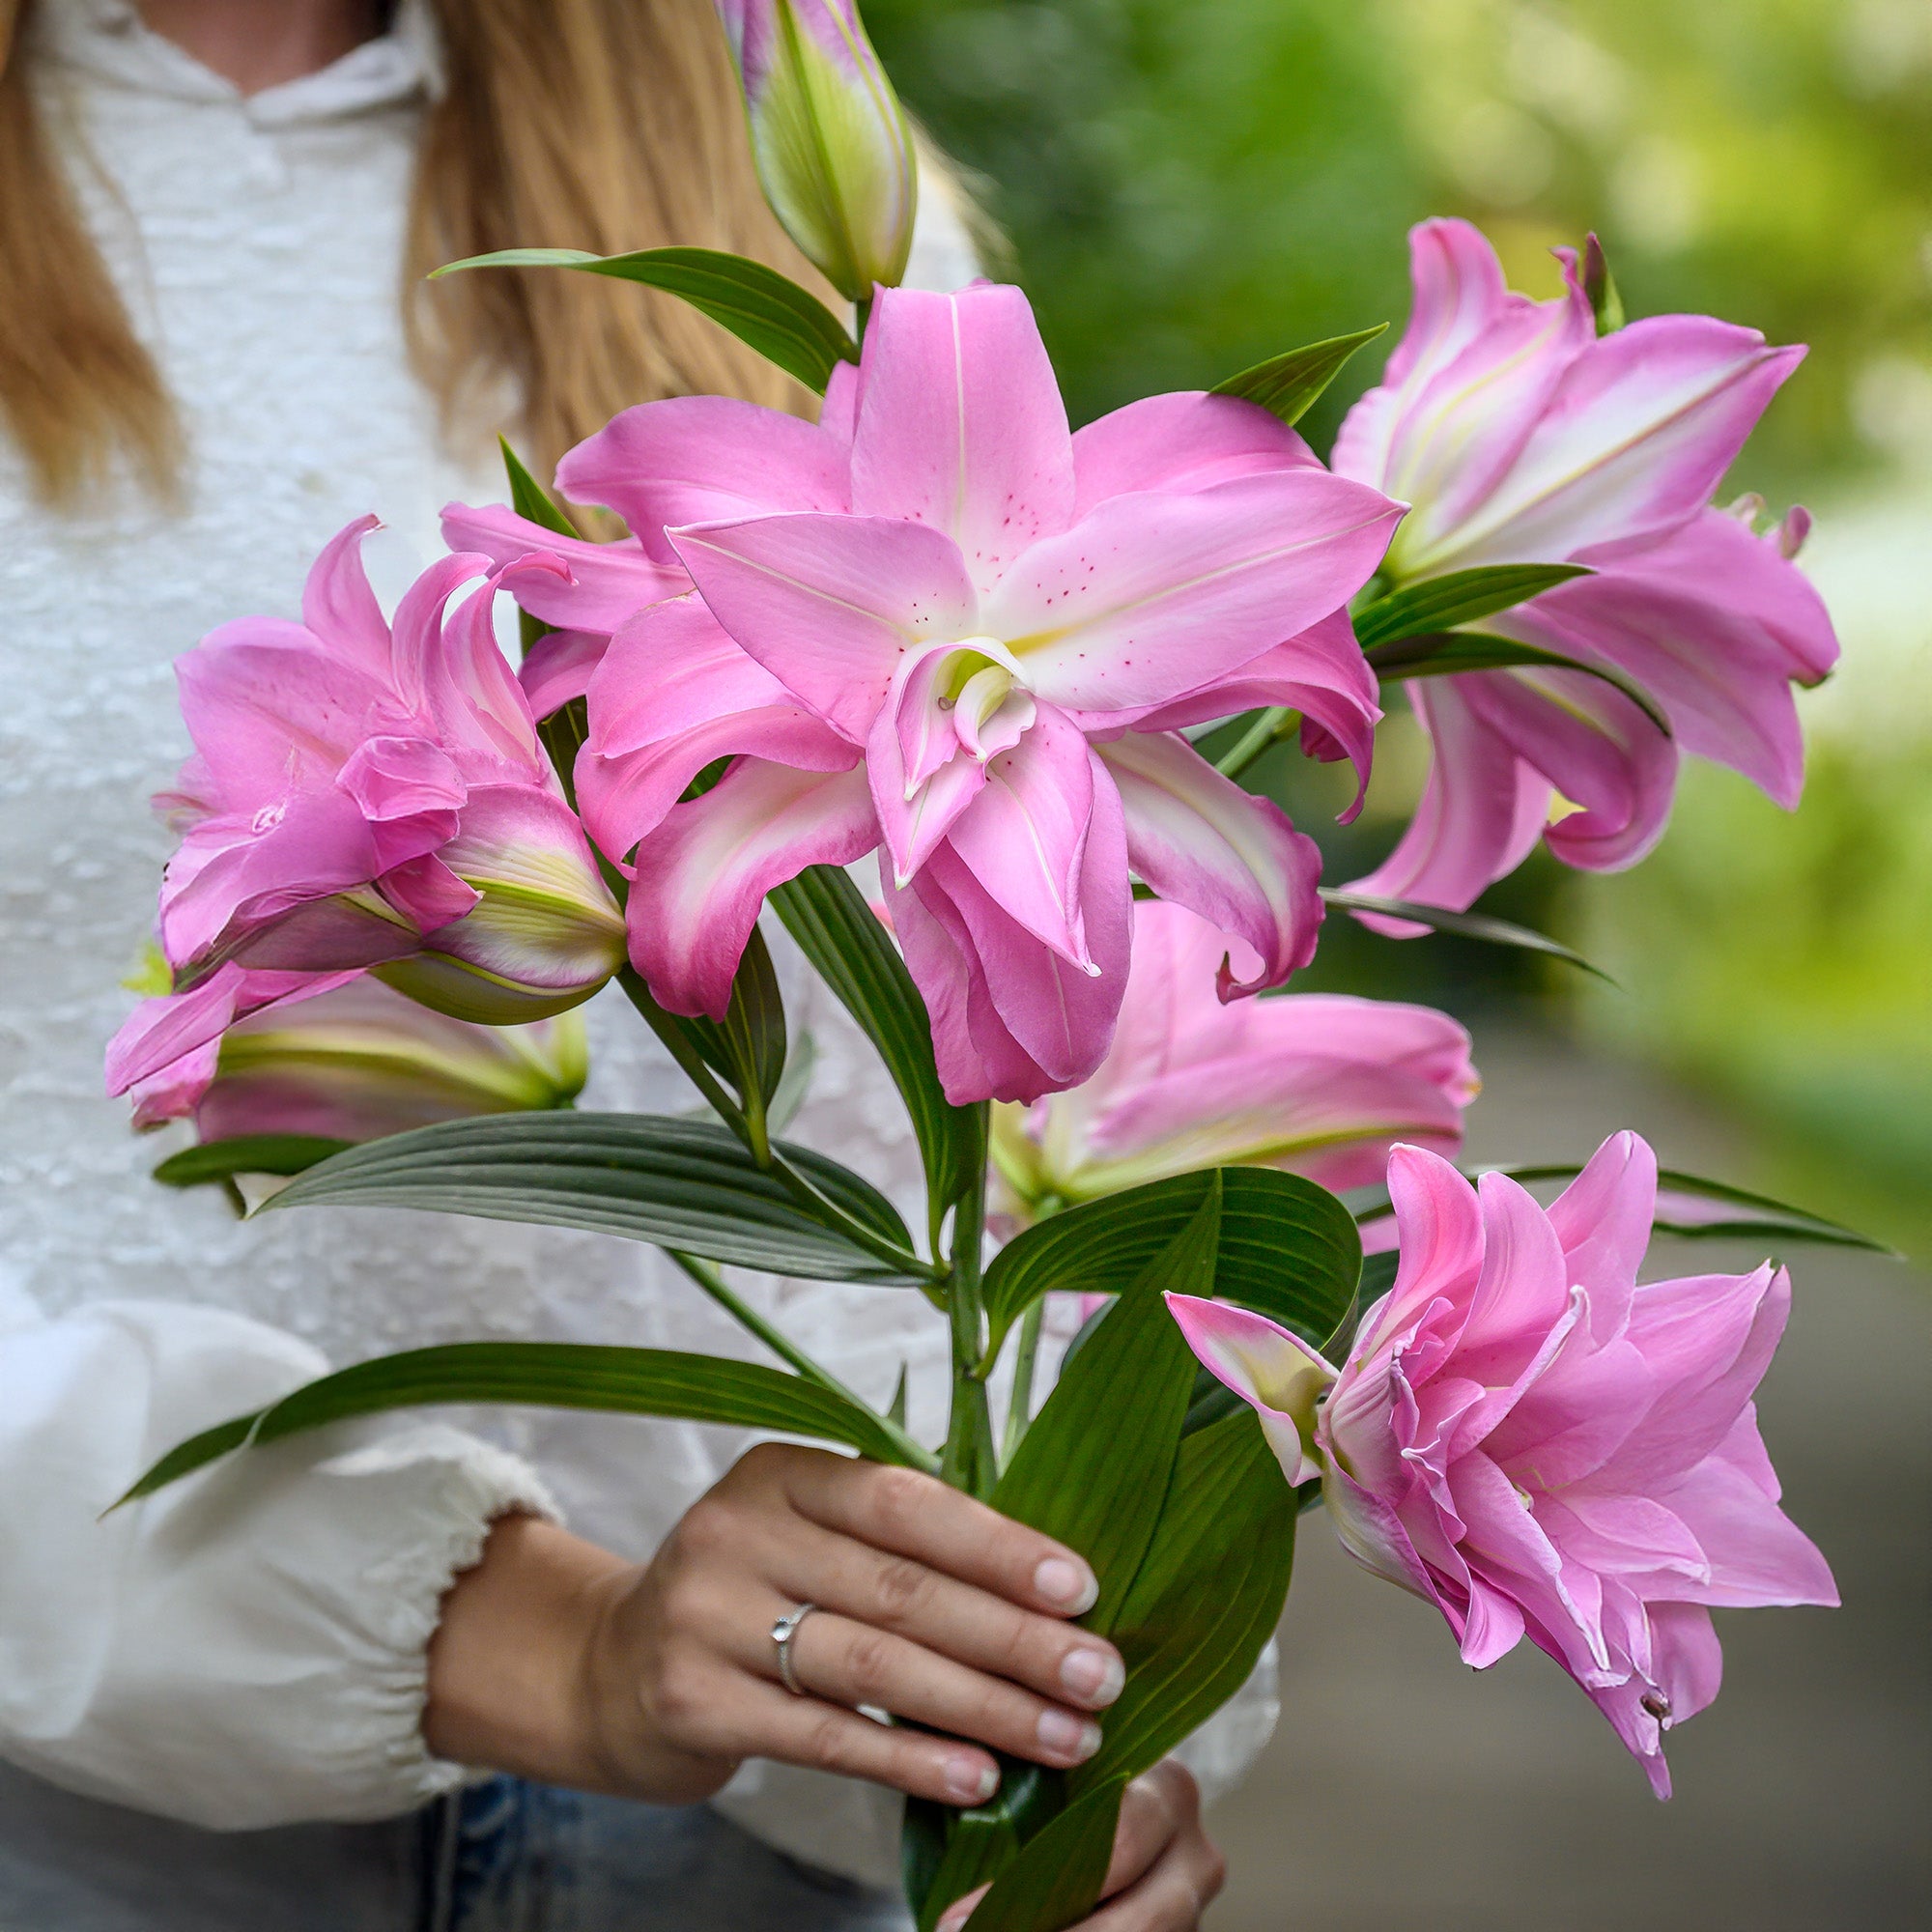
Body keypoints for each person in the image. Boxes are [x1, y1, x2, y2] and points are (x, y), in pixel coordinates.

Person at [0, 4, 1270, 1927]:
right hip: (81, 1832)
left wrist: (1092, 1692)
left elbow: (971, 1110)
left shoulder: (817, 207)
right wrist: (543, 1637)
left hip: (777, 1836)